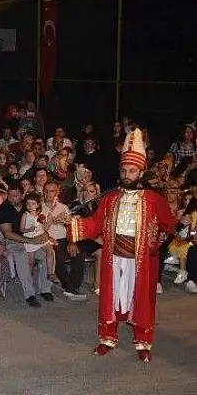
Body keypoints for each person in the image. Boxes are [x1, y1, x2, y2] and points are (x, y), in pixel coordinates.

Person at [69, 129, 185, 362]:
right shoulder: (109, 199)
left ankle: (143, 342)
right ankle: (107, 338)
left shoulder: (153, 199)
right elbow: (94, 224)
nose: (126, 174)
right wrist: (74, 224)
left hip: (141, 259)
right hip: (114, 257)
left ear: (141, 172)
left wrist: (180, 225)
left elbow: (169, 223)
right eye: (124, 170)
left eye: (131, 171)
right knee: (111, 297)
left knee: (141, 298)